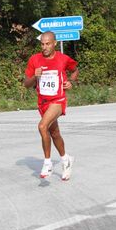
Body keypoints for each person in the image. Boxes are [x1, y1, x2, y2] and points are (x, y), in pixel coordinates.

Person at [24, 31, 79, 181]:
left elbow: (75, 70)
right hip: (43, 103)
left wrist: (70, 82)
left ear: (55, 43)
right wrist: (35, 76)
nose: (44, 47)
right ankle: (66, 159)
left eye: (48, 44)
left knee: (42, 126)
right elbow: (26, 84)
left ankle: (47, 163)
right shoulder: (35, 60)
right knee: (54, 133)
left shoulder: (63, 59)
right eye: (42, 44)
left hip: (58, 100)